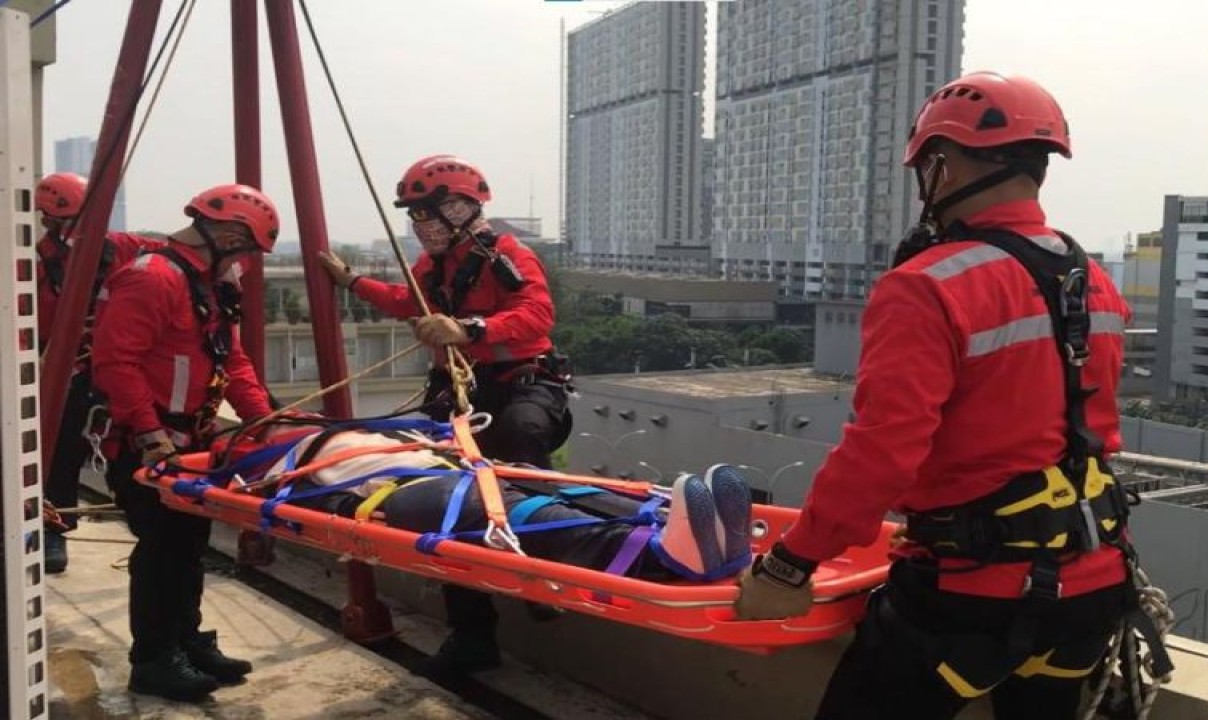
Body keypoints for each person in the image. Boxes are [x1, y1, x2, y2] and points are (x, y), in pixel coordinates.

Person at [734, 72, 1147, 719]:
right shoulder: (1092, 279)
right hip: (1091, 586)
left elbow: (882, 451)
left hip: (968, 597)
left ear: (944, 167)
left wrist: (790, 566)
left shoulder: (927, 285)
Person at [318, 155, 571, 672]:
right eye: (414, 216)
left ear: (461, 208)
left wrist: (469, 330)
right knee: (443, 494)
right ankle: (472, 635)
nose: (421, 225)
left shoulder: (506, 255)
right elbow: (404, 300)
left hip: (522, 384)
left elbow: (537, 313)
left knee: (522, 437)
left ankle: (543, 567)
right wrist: (351, 282)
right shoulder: (432, 269)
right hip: (460, 392)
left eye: (428, 212)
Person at [93, 184, 280, 702]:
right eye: (243, 251)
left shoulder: (210, 288)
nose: (243, 263)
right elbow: (116, 362)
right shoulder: (152, 279)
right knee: (161, 551)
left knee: (188, 548)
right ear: (224, 236)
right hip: (148, 445)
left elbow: (231, 360)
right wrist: (150, 434)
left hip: (191, 445)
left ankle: (187, 641)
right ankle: (153, 658)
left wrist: (262, 419)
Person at [251, 425, 752, 583]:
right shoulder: (286, 459)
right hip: (406, 494)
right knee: (491, 506)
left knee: (548, 483)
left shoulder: (383, 431)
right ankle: (651, 556)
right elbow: (290, 502)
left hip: (461, 467)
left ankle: (674, 525)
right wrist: (344, 512)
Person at [34, 172, 162, 574]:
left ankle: (148, 511)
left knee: (142, 428)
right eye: (69, 221)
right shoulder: (37, 261)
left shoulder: (120, 247)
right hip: (65, 366)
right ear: (50, 220)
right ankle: (54, 526)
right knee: (60, 443)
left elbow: (171, 255)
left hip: (110, 360)